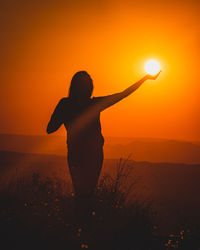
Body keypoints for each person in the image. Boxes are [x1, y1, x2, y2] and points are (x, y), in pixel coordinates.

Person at [46, 70, 161, 223]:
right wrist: (145, 79)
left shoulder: (66, 104)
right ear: (89, 88)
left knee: (81, 194)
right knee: (87, 194)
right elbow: (124, 94)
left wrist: (63, 114)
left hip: (77, 155)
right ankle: (84, 228)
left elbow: (50, 128)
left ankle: (80, 228)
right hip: (92, 156)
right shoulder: (93, 104)